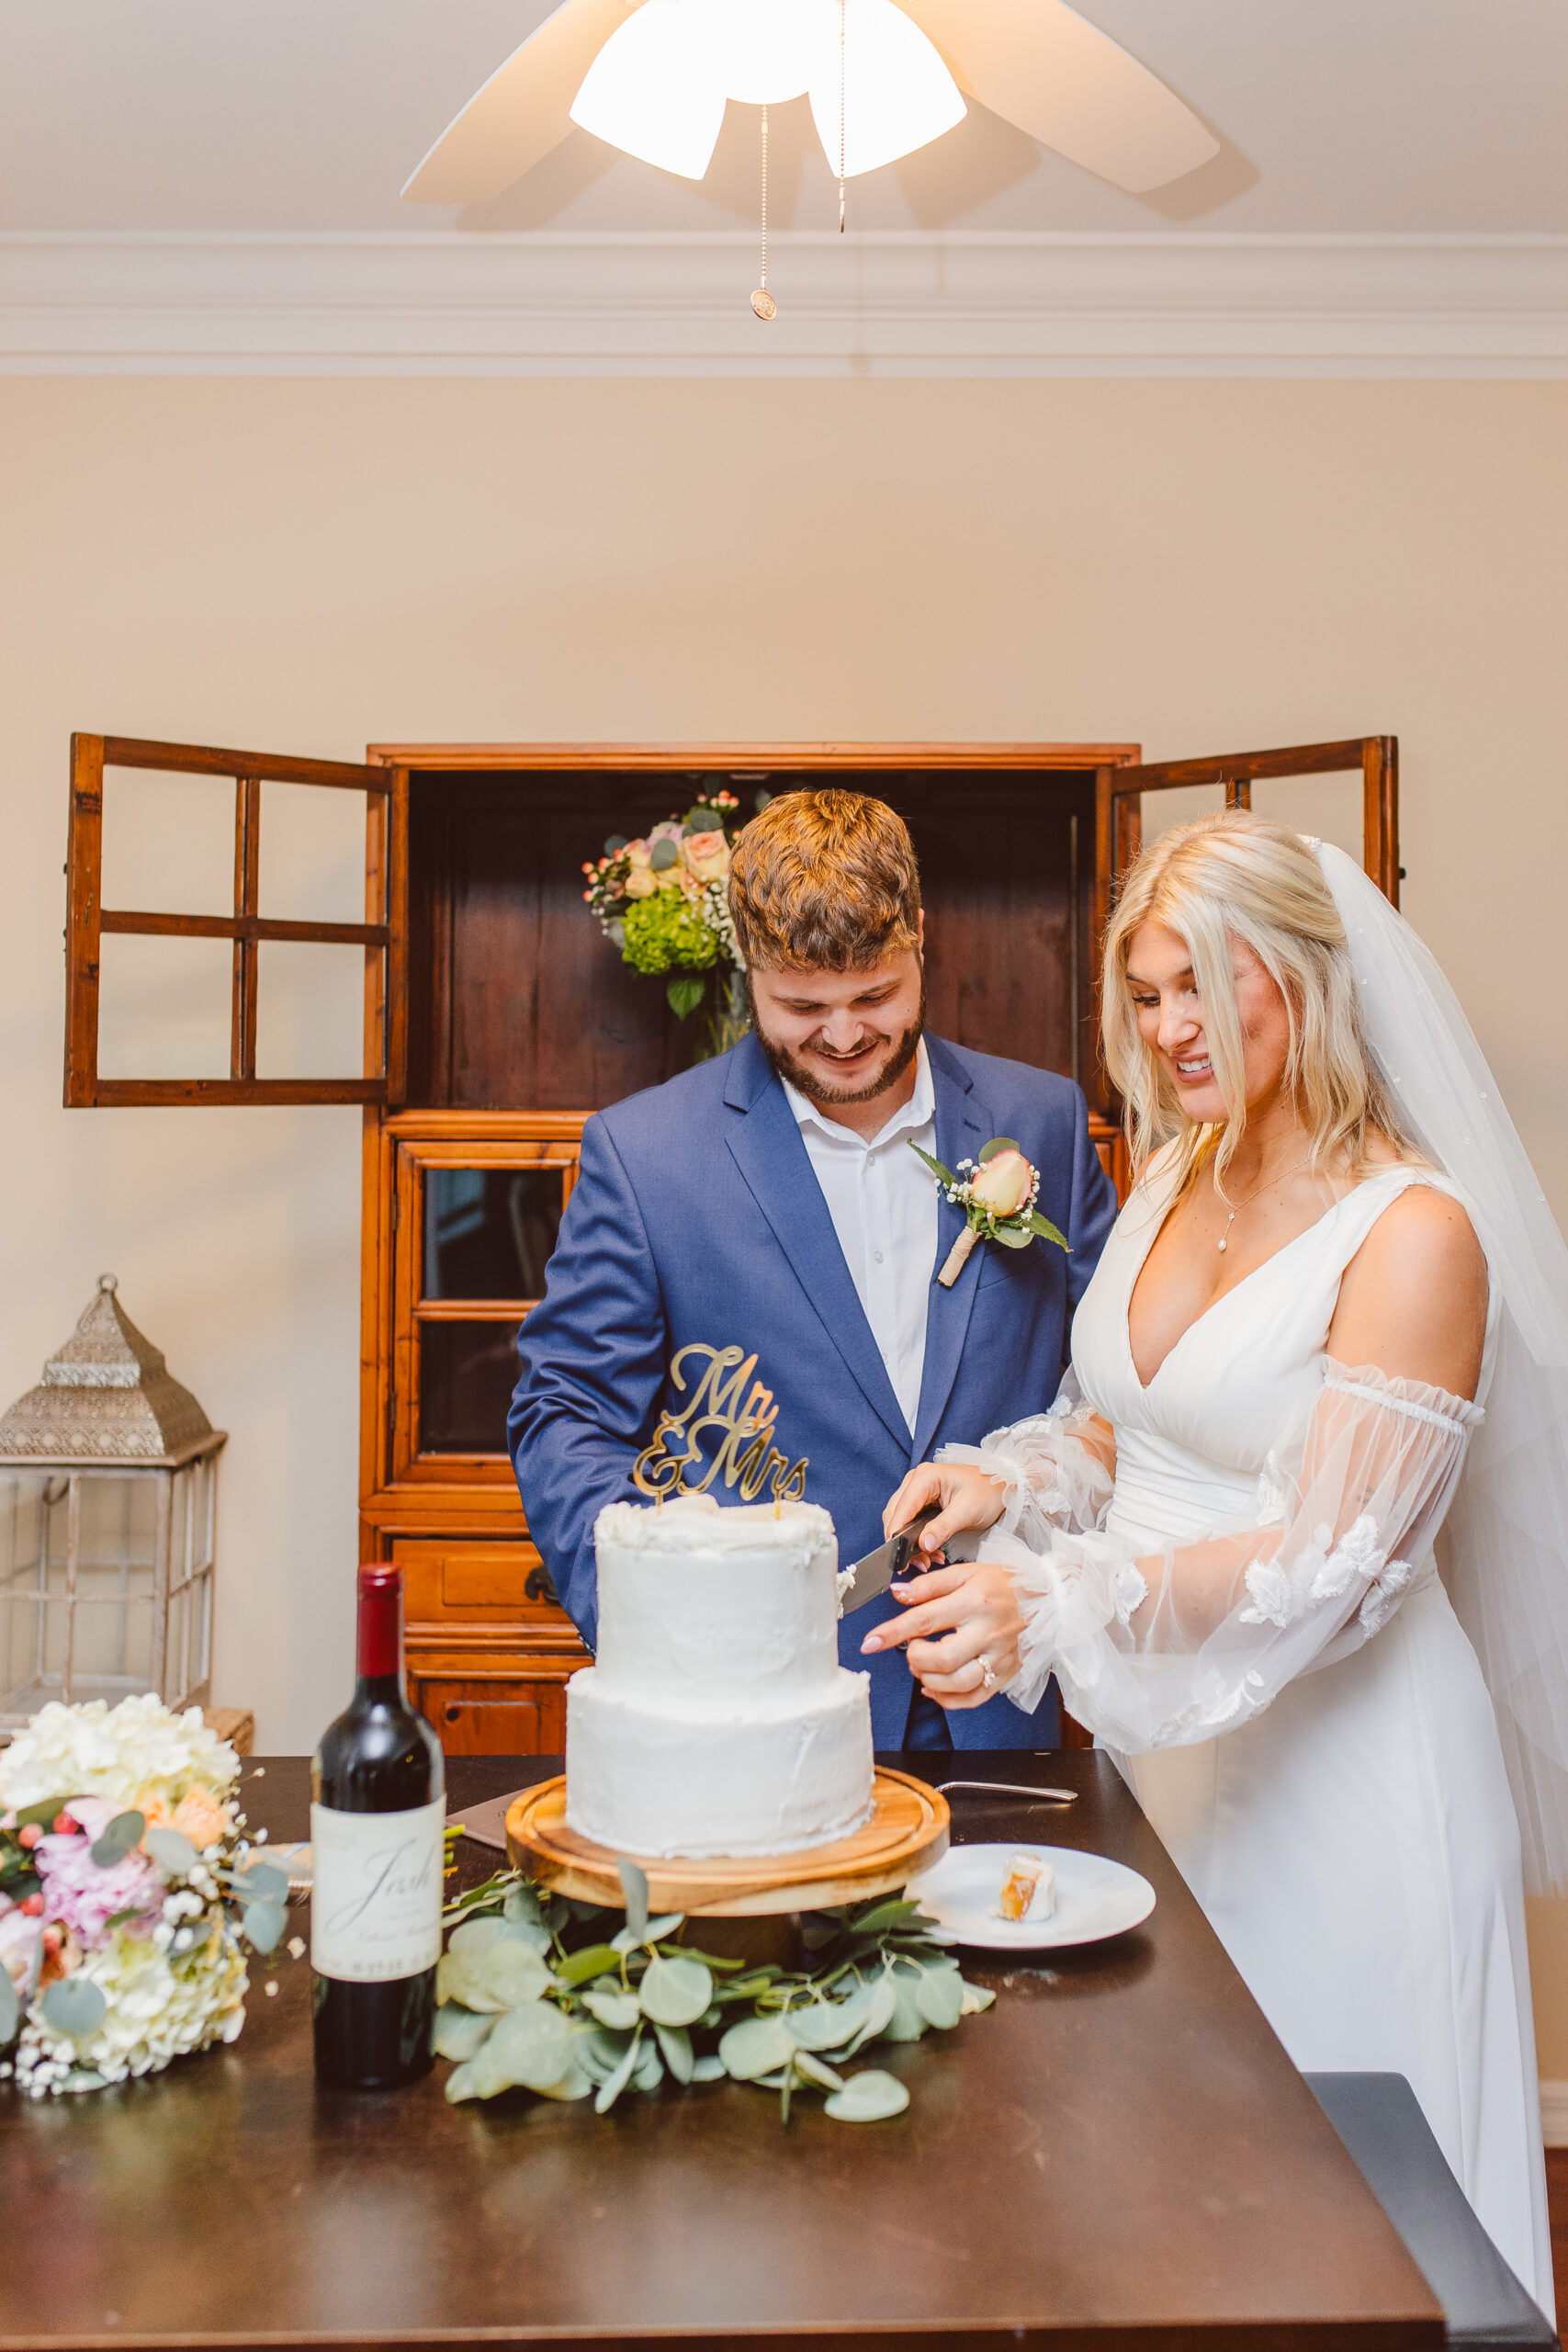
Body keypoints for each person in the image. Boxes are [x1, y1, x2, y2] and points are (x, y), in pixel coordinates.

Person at [874, 811, 1563, 2309]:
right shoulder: (1179, 1171)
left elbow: (1332, 1565)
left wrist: (1055, 1598)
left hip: (1348, 1783)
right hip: (1177, 1771)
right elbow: (1141, 1437)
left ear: (1307, 978)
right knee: (1168, 2211)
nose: (1171, 1028)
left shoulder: (1414, 1232)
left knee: (1343, 2235)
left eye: (1208, 984)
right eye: (1144, 992)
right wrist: (1001, 1477)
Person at [509, 788, 1117, 1750]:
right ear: (749, 970)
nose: (842, 1037)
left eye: (874, 995)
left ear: (922, 938)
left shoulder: (1041, 1120)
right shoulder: (647, 1154)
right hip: (754, 1706)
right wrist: (666, 1620)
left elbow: (1119, 1391)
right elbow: (565, 1417)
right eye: (801, 1006)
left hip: (999, 1695)